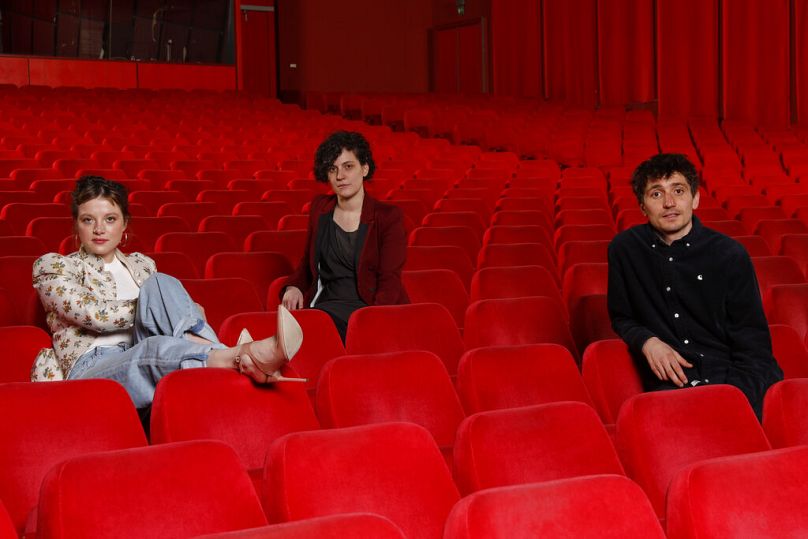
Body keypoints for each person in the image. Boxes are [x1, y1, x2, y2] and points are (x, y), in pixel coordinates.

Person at [32, 176, 304, 410]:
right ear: (76, 226)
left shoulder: (143, 264)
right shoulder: (54, 266)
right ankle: (240, 354)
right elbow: (93, 314)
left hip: (151, 347)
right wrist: (163, 310)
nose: (100, 229)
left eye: (110, 219)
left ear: (124, 224)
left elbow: (163, 308)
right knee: (155, 345)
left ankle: (234, 356)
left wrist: (173, 309)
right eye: (88, 220)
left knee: (160, 283)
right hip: (93, 368)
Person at [607, 153, 782, 418]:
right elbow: (622, 317)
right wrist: (647, 341)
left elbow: (753, 346)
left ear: (695, 198)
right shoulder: (624, 250)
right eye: (656, 194)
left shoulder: (730, 254)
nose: (669, 203)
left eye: (678, 191)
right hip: (671, 383)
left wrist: (729, 397)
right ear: (642, 206)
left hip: (734, 377)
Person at [281, 131, 409, 340]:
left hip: (369, 308)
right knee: (301, 330)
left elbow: (390, 280)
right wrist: (294, 286)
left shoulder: (387, 216)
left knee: (306, 334)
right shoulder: (320, 208)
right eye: (333, 169)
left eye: (348, 166)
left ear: (364, 169)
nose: (340, 176)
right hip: (327, 307)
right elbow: (307, 262)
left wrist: (373, 321)